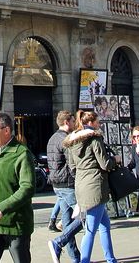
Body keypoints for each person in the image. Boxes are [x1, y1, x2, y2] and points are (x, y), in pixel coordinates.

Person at [0, 111, 35, 263]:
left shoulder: (22, 154)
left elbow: (27, 188)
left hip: (16, 225)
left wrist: (2, 208)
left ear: (7, 130)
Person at [62, 110, 117, 263]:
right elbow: (105, 164)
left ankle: (111, 259)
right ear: (91, 123)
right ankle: (84, 261)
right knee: (91, 230)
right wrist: (116, 160)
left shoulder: (72, 142)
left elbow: (72, 166)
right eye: (97, 122)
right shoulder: (95, 139)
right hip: (95, 186)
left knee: (105, 225)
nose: (99, 124)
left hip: (81, 185)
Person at [46, 111, 81, 263]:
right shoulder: (66, 139)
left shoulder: (52, 138)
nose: (74, 124)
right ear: (67, 122)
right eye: (73, 121)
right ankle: (58, 242)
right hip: (67, 184)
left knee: (67, 221)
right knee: (86, 215)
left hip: (56, 184)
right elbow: (72, 163)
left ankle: (75, 258)